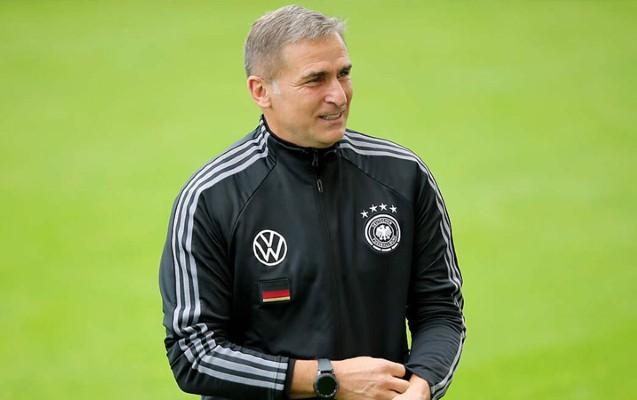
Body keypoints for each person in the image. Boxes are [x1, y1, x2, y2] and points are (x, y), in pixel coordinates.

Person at [159, 5, 465, 400]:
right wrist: (327, 379)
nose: (338, 95)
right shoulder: (211, 198)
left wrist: (422, 386)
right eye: (315, 79)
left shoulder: (403, 177)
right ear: (260, 91)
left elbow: (441, 311)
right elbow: (193, 353)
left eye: (343, 73)